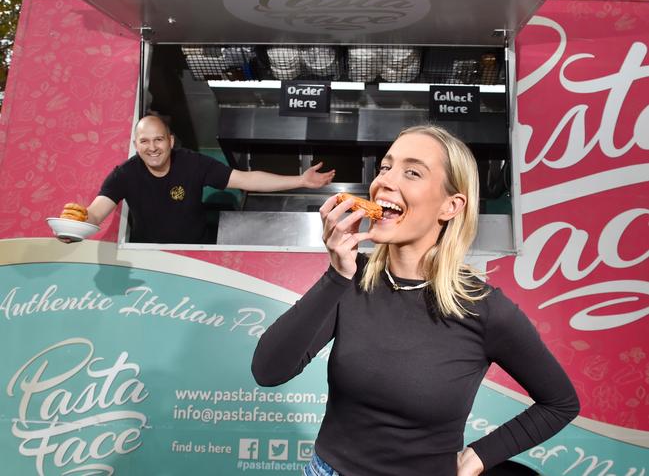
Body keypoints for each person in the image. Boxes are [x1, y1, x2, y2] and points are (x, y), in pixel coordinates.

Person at [251, 125, 579, 476]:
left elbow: (560, 403)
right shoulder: (352, 277)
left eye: (412, 172)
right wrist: (336, 275)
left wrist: (476, 458)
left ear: (451, 206)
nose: (386, 181)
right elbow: (268, 371)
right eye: (385, 167)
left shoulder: (484, 308)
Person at [61, 115, 335, 243]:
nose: (152, 147)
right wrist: (75, 226)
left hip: (197, 251)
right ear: (136, 143)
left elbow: (246, 179)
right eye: (144, 141)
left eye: (158, 139)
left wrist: (300, 180)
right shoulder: (124, 174)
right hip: (147, 256)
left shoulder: (192, 163)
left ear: (170, 141)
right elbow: (96, 213)